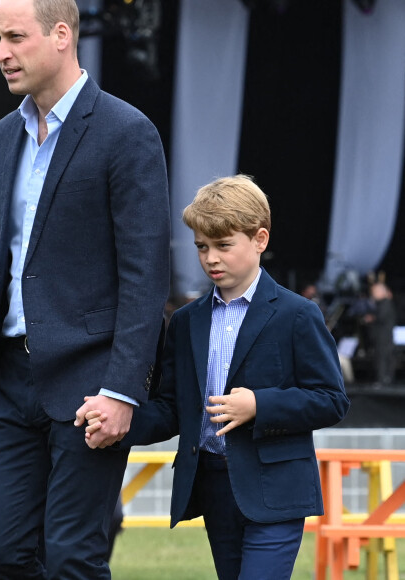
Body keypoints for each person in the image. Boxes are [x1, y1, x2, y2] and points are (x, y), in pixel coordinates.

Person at [0, 0, 170, 578]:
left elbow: (145, 273)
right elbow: (9, 263)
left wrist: (123, 390)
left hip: (90, 381)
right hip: (10, 378)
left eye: (14, 37)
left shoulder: (127, 131)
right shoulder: (4, 135)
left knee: (72, 558)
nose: (2, 53)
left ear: (62, 35)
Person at [86, 175, 350, 580]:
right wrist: (120, 423)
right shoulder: (186, 321)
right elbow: (171, 409)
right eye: (201, 247)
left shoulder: (298, 314)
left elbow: (332, 398)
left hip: (277, 490)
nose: (211, 257)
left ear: (260, 240)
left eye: (223, 245)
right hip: (212, 486)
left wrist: (259, 406)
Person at [364, 281, 397, 385]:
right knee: (380, 357)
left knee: (383, 357)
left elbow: (381, 317)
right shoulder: (380, 303)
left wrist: (371, 318)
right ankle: (382, 378)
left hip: (384, 336)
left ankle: (383, 379)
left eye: (374, 291)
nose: (372, 294)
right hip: (381, 336)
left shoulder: (386, 302)